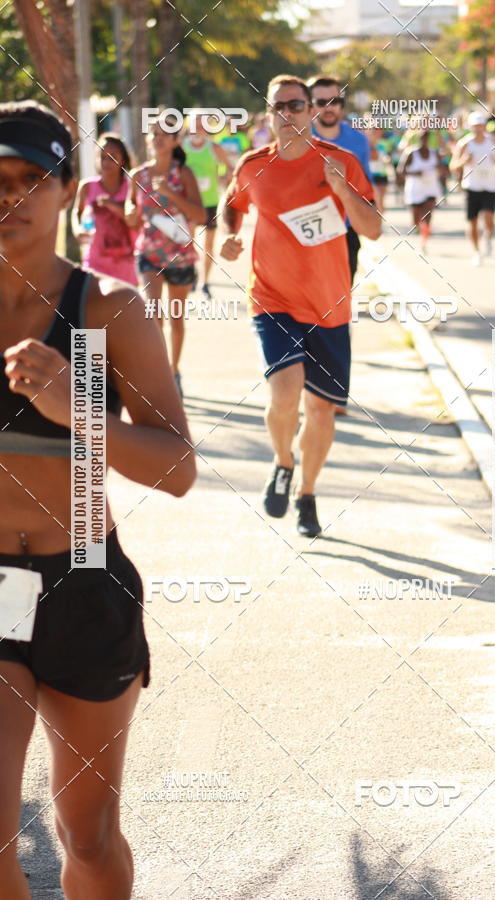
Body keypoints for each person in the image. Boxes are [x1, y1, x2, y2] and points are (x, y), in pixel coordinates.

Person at [0, 100, 196, 899]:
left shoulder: (105, 313)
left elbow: (177, 467)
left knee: (85, 833)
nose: (8, 198)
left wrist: (75, 411)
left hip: (82, 578)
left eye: (27, 180)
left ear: (67, 193)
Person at [219, 74, 380, 536]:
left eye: (296, 105)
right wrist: (229, 235)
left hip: (330, 303)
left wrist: (343, 191)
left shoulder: (342, 161)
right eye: (279, 107)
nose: (287, 114)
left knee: (322, 410)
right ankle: (282, 461)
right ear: (268, 115)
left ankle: (307, 493)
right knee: (285, 391)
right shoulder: (254, 166)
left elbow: (371, 229)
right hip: (272, 298)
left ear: (312, 111)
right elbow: (232, 205)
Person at [126, 113, 205, 397]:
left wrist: (171, 193)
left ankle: (174, 370)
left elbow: (200, 215)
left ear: (174, 141)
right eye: (152, 134)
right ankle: (158, 372)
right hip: (149, 253)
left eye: (163, 135)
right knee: (153, 311)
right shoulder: (138, 175)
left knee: (176, 318)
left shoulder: (182, 174)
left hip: (180, 254)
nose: (156, 139)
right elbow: (131, 216)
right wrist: (130, 214)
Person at [308, 75, 372, 285]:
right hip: (306, 229)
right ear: (310, 105)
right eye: (321, 103)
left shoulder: (358, 140)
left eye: (334, 102)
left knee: (341, 296)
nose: (329, 108)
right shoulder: (299, 139)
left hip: (346, 229)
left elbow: (366, 189)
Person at [72, 132, 137, 286]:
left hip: (126, 264)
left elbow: (135, 221)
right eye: (102, 157)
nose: (106, 161)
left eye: (113, 156)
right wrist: (78, 230)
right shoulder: (87, 187)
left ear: (123, 160)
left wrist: (112, 205)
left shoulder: (132, 187)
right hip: (95, 263)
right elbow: (77, 213)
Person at [183, 114, 233, 299]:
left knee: (209, 245)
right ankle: (193, 277)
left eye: (201, 126)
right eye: (194, 126)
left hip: (211, 202)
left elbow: (229, 168)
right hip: (190, 202)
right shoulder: (183, 147)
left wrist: (223, 179)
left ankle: (205, 282)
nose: (198, 130)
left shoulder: (214, 148)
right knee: (189, 243)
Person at [450, 110, 495, 266]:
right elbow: (453, 165)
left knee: (489, 219)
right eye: (475, 126)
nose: (478, 128)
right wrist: (464, 161)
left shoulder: (493, 141)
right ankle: (477, 252)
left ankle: (488, 237)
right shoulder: (464, 143)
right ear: (470, 127)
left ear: (484, 126)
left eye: (480, 125)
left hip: (490, 185)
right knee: (472, 221)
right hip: (472, 186)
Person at [400, 129, 443, 254]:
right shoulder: (411, 153)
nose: (424, 140)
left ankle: (424, 242)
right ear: (418, 138)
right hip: (415, 190)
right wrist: (416, 173)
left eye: (427, 137)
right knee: (416, 220)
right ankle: (420, 233)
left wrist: (439, 169)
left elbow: (443, 169)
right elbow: (401, 171)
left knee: (428, 215)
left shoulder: (434, 153)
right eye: (422, 137)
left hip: (430, 189)